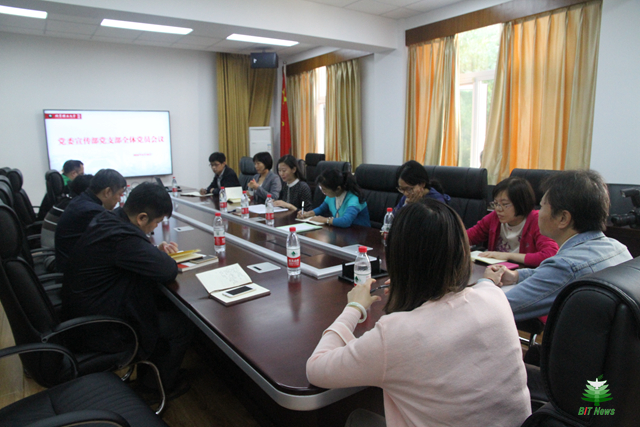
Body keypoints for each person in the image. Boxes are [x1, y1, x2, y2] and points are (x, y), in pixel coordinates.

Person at [306, 200, 531, 427]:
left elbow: (316, 368)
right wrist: (411, 294)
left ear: (399, 258)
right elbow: (473, 293)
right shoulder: (495, 297)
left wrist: (353, 307)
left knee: (357, 419)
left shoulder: (395, 334)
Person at [62, 182, 189, 398]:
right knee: (179, 325)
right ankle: (154, 390)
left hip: (84, 313)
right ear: (142, 218)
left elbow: (124, 252)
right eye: (156, 222)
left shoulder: (108, 219)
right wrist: (152, 253)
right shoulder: (123, 238)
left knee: (156, 302)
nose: (155, 228)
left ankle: (154, 375)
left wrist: (149, 250)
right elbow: (168, 270)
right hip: (102, 328)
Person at [483, 170, 632, 322]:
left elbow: (495, 309)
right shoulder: (618, 248)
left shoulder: (566, 267)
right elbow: (551, 275)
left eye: (542, 206)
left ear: (563, 218)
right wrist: (517, 276)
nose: (538, 213)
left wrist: (488, 282)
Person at [467, 177, 558, 267]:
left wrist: (507, 256)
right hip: (496, 270)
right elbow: (468, 237)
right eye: (496, 203)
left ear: (521, 203)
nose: (498, 209)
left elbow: (550, 255)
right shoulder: (495, 217)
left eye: (505, 204)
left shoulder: (537, 221)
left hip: (525, 272)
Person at [55, 168, 126, 274]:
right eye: (119, 195)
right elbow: (118, 243)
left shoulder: (82, 200)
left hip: (69, 263)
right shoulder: (92, 211)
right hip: (75, 274)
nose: (120, 199)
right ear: (107, 192)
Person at [298, 168, 370, 227]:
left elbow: (346, 221)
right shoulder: (331, 195)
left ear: (338, 188)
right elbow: (321, 209)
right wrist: (308, 214)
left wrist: (325, 220)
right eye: (320, 188)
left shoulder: (354, 199)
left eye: (324, 189)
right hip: (342, 232)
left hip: (359, 234)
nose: (322, 192)